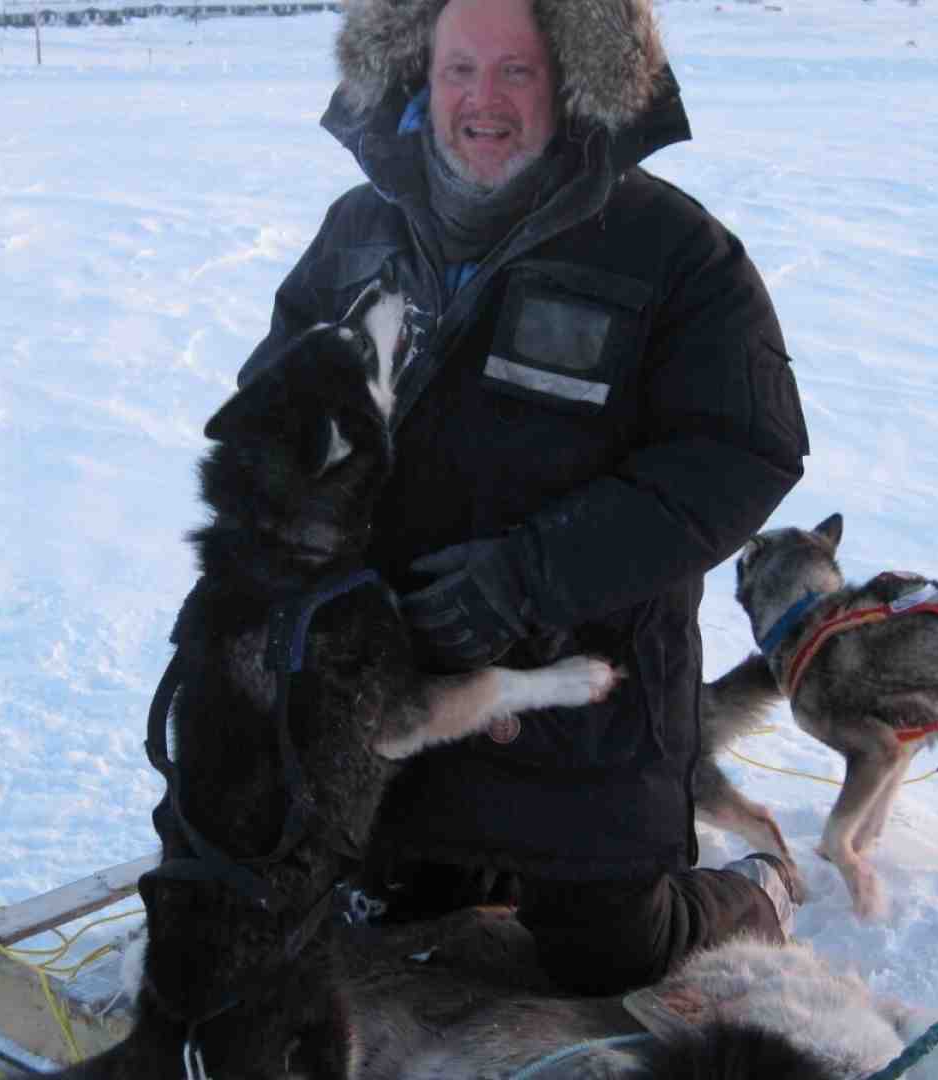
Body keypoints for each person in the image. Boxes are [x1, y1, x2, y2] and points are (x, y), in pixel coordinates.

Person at [234, 0, 811, 996]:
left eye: (517, 72)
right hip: (397, 678)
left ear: (578, 81)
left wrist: (533, 574)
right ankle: (457, 854)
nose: (481, 101)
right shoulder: (359, 233)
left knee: (608, 954)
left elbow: (745, 449)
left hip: (585, 691)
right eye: (460, 69)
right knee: (378, 901)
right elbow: (271, 404)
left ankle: (752, 894)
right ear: (418, 70)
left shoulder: (670, 251)